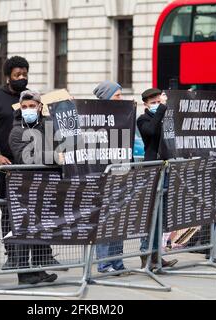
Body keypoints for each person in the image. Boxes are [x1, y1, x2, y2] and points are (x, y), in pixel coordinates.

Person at [8, 90, 59, 285]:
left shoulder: (49, 125)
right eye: (24, 107)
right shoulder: (16, 131)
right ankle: (24, 273)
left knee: (41, 228)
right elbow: (25, 157)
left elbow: (60, 144)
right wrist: (53, 157)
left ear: (40, 107)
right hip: (24, 186)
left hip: (45, 184)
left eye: (32, 106)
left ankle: (39, 269)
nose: (28, 110)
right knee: (25, 229)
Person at [0, 56, 30, 270]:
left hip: (29, 164)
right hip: (5, 165)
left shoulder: (30, 98)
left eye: (24, 74)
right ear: (8, 76)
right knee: (8, 211)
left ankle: (40, 254)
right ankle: (12, 254)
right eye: (17, 75)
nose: (22, 78)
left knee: (32, 209)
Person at [137, 88, 178, 269]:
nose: (157, 105)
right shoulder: (143, 120)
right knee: (150, 214)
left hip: (165, 167)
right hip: (152, 169)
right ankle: (146, 254)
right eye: (153, 102)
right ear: (146, 104)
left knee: (160, 216)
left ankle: (156, 255)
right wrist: (161, 109)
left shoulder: (164, 117)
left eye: (158, 101)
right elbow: (152, 132)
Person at [92, 80, 126, 274]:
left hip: (120, 173)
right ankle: (104, 263)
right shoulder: (94, 118)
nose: (121, 99)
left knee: (119, 220)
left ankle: (117, 262)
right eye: (117, 96)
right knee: (105, 220)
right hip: (103, 175)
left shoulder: (123, 116)